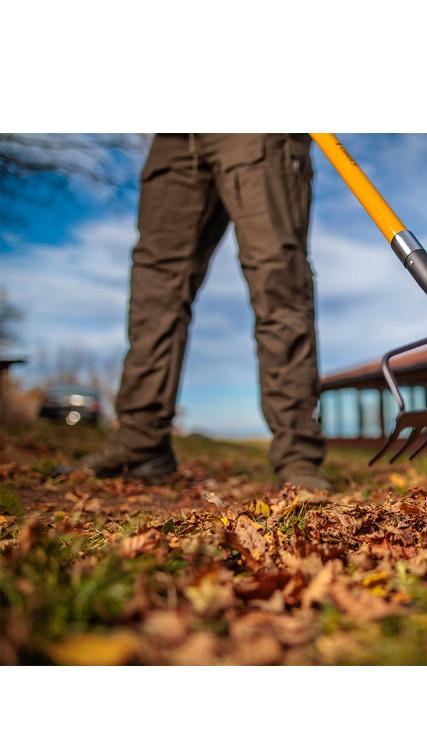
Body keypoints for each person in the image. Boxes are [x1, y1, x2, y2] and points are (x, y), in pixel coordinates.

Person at [80, 134, 329, 491]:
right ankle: (140, 443)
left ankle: (297, 455)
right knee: (155, 288)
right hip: (176, 134)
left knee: (278, 278)